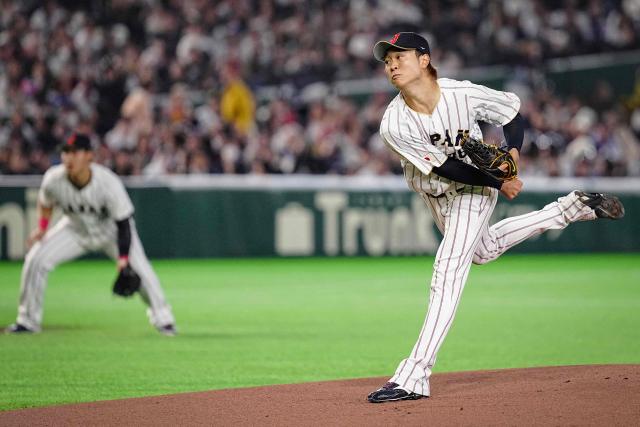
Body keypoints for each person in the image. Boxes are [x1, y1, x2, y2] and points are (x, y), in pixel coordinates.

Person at [366, 32, 625, 403]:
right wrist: (501, 181)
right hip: (442, 190)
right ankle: (570, 208)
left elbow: (512, 114)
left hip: (475, 191)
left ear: (424, 59)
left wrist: (512, 155)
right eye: (386, 59)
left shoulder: (462, 93)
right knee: (482, 251)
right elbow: (448, 168)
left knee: (448, 267)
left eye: (399, 56)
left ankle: (414, 375)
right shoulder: (394, 123)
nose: (391, 64)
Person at [5, 133, 177, 336]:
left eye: (75, 152)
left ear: (89, 156)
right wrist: (42, 228)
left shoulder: (107, 182)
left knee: (140, 270)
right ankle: (27, 321)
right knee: (36, 259)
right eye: (65, 152)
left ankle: (164, 319)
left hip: (111, 231)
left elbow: (123, 223)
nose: (69, 158)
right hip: (75, 229)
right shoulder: (54, 179)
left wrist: (123, 259)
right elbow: (45, 202)